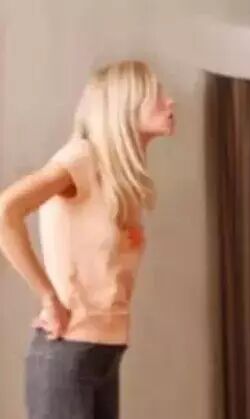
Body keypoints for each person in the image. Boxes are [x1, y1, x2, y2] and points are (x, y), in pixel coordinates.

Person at [0, 60, 175, 419]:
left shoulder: (119, 178)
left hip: (104, 353)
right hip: (68, 354)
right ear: (125, 104)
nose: (170, 102)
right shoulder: (81, 158)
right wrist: (49, 297)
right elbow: (6, 212)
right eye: (157, 95)